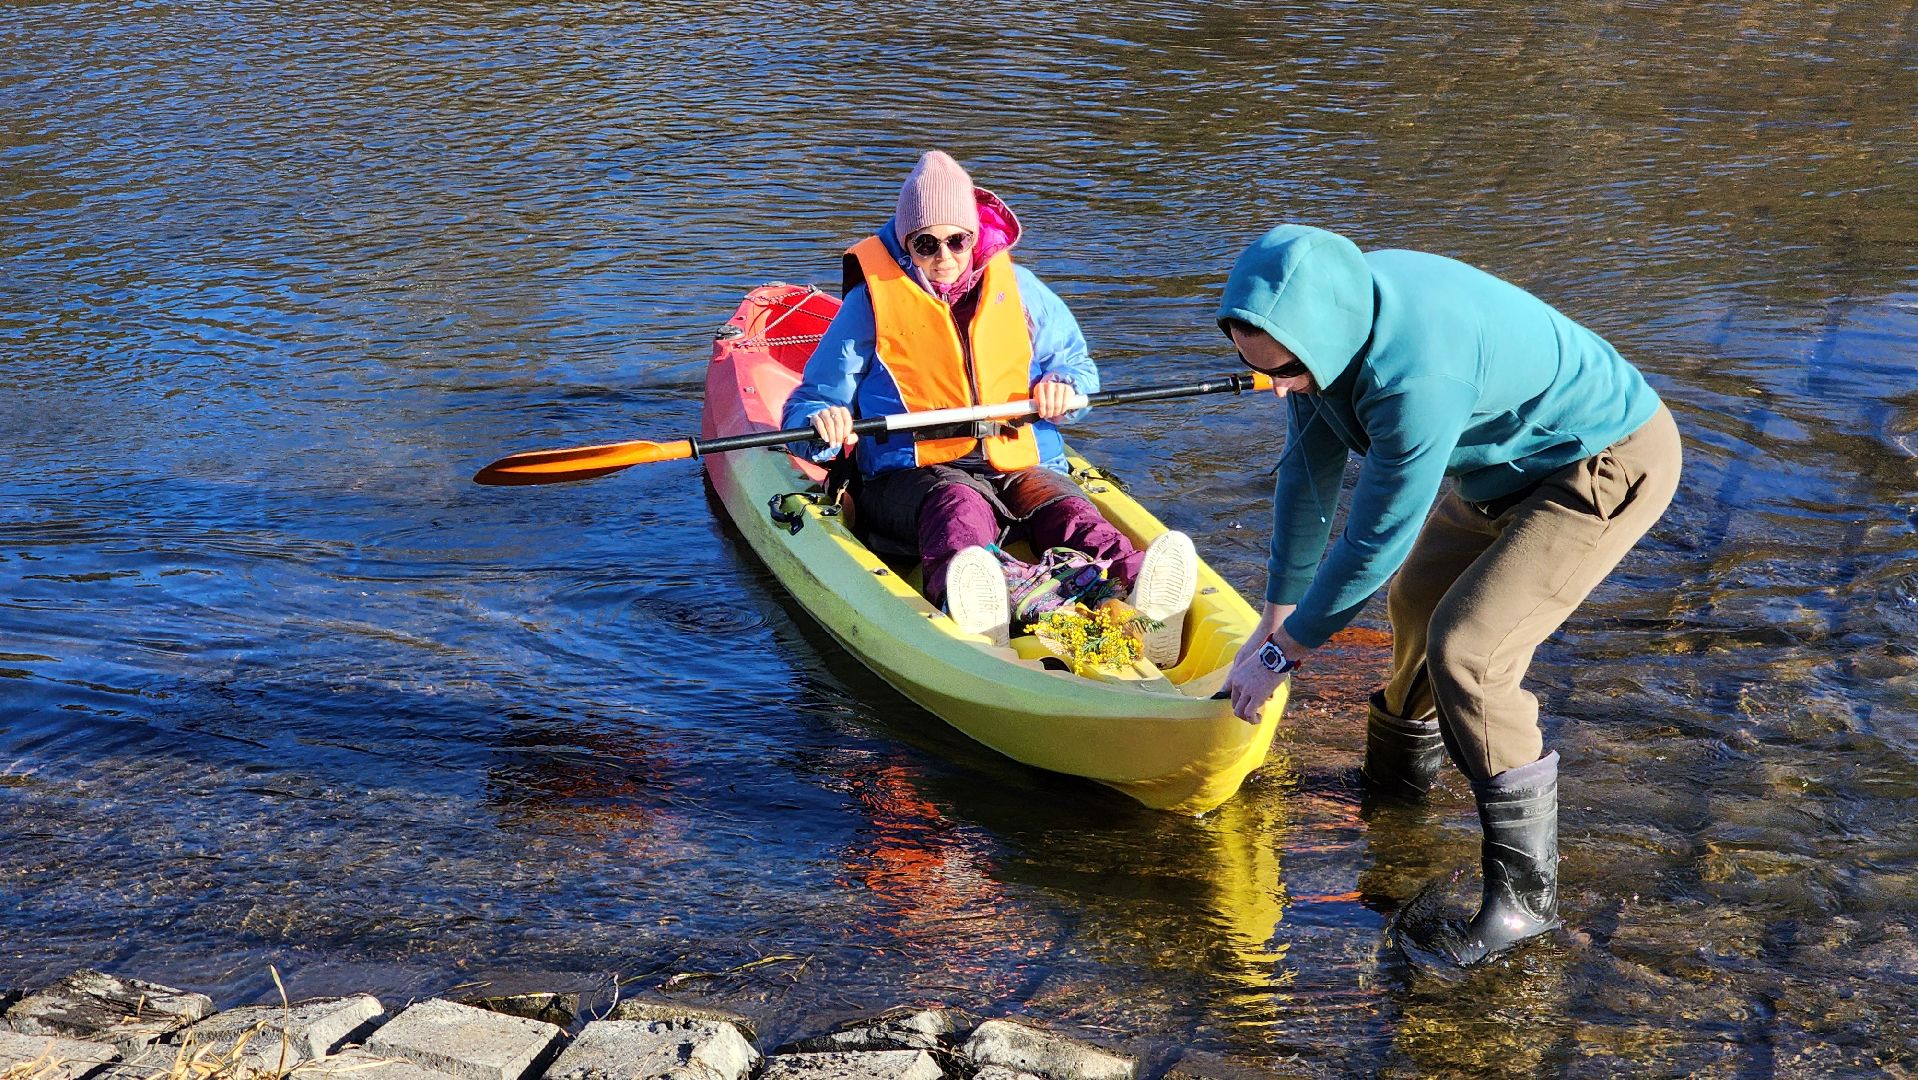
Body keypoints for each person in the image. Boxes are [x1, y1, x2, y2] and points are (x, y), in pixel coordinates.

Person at [1214, 224, 1682, 967]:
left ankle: (1528, 903)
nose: (1276, 387)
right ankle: (1396, 791)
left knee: (1469, 651)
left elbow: (1374, 538)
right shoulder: (1314, 330)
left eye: (1288, 374)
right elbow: (1306, 484)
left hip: (1604, 462)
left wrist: (1282, 654)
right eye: (1259, 369)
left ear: (1324, 342)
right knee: (1416, 600)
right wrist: (1271, 619)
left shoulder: (1413, 376)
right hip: (1503, 472)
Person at [783, 151, 1196, 661]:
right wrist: (821, 423)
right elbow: (811, 402)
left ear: (975, 237)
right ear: (906, 242)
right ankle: (981, 618)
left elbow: (1079, 370)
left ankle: (1143, 605)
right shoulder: (869, 305)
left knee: (1069, 514)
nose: (945, 257)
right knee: (959, 509)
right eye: (926, 243)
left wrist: (1063, 389)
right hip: (914, 476)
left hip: (1017, 461)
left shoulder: (1023, 293)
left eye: (957, 240)